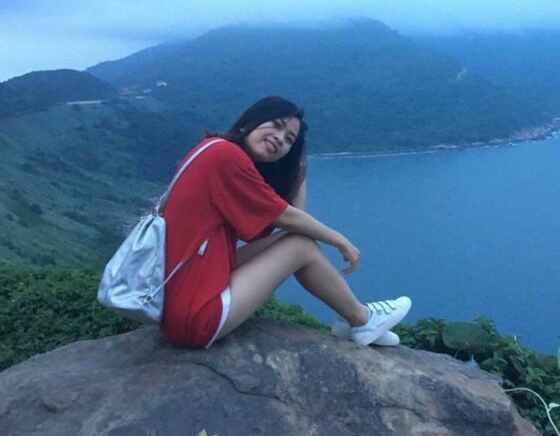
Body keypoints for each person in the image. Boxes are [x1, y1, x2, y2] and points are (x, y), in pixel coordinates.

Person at [158, 96, 410, 349]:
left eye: (289, 139)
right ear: (251, 122)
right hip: (196, 315)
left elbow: (293, 223)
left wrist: (297, 166)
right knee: (300, 246)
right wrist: (340, 240)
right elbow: (288, 217)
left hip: (181, 299)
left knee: (298, 240)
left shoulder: (211, 148)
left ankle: (350, 319)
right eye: (276, 125)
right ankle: (361, 318)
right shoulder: (225, 156)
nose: (280, 138)